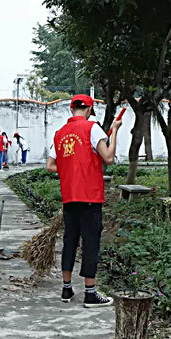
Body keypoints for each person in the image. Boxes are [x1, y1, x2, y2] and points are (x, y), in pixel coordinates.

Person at [46, 95, 121, 307]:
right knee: (90, 242)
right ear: (89, 110)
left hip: (69, 196)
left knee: (70, 240)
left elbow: (50, 166)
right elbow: (108, 157)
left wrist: (70, 168)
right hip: (89, 195)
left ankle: (66, 289)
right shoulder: (92, 128)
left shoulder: (60, 134)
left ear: (71, 109)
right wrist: (114, 131)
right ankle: (90, 293)